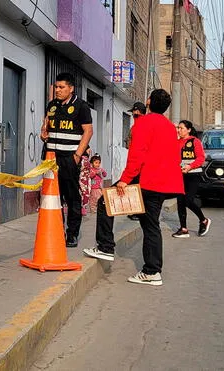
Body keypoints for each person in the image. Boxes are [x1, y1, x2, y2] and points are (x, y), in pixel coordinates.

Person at [83, 89, 184, 286]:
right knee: (151, 224)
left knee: (105, 202)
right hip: (162, 184)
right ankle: (152, 271)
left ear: (149, 102)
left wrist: (125, 179)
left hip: (145, 179)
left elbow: (137, 155)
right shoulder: (170, 127)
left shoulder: (143, 124)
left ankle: (105, 247)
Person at [40, 73, 93, 247]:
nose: (58, 90)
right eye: (56, 87)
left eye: (62, 87)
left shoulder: (81, 106)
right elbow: (46, 126)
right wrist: (44, 133)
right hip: (50, 158)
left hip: (69, 159)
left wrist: (77, 155)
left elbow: (88, 131)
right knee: (53, 197)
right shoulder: (52, 105)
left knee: (71, 198)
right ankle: (56, 231)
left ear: (71, 88)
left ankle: (72, 234)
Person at [172, 120, 211, 238]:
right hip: (180, 175)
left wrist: (189, 166)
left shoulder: (195, 141)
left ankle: (203, 220)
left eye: (182, 128)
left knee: (188, 200)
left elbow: (201, 158)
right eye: (178, 128)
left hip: (193, 175)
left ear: (188, 130)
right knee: (180, 202)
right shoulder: (176, 142)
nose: (179, 130)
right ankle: (183, 229)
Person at [126, 101, 147, 221]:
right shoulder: (136, 126)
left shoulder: (139, 126)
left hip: (139, 163)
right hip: (138, 162)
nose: (134, 116)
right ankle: (136, 211)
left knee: (136, 187)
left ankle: (137, 212)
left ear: (138, 112)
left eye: (134, 114)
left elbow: (133, 146)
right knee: (136, 187)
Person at [78, 148, 92, 216]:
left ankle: (83, 208)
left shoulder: (85, 159)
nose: (89, 151)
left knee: (84, 193)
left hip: (85, 178)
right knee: (84, 193)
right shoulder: (83, 159)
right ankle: (83, 208)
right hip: (83, 178)